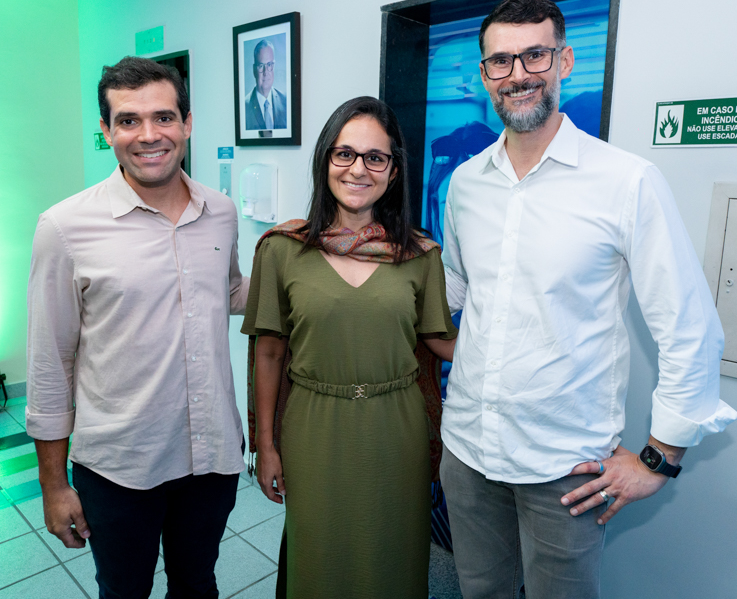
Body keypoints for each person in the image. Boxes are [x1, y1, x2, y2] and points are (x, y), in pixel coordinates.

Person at [440, 0, 737, 599]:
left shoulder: (626, 182)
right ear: (483, 74)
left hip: (566, 471)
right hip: (468, 454)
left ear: (566, 60)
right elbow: (461, 301)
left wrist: (659, 457)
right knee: (479, 593)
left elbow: (690, 327)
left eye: (535, 55)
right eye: (501, 61)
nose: (518, 74)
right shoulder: (466, 184)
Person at [26, 55, 249, 599]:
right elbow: (49, 363)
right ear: (106, 132)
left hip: (211, 456)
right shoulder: (65, 227)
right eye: (128, 120)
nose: (149, 135)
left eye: (164, 117)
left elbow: (231, 292)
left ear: (188, 122)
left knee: (197, 585)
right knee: (124, 592)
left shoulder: (219, 211)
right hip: (120, 467)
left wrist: (305, 259)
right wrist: (54, 486)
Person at [241, 96, 457, 598]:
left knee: (394, 555)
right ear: (325, 161)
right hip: (313, 428)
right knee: (320, 557)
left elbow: (440, 341)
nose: (358, 169)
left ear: (393, 171)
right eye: (344, 154)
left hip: (397, 431)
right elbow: (268, 355)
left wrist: (525, 343)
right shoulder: (283, 249)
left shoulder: (419, 255)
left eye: (374, 158)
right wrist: (266, 447)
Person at [244, 39, 288, 130]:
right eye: (261, 66)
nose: (265, 72)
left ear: (274, 66)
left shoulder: (286, 101)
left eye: (269, 65)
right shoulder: (244, 107)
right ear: (254, 70)